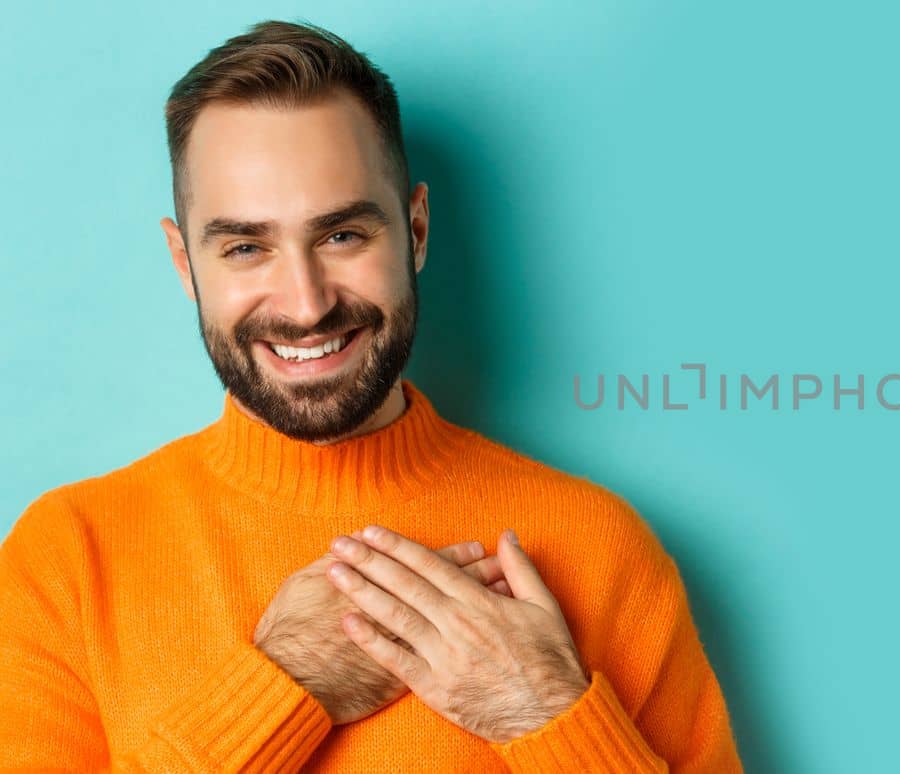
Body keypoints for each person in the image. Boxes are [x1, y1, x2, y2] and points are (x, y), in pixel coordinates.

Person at [0, 18, 743, 772]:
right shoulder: (67, 559)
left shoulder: (599, 547)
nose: (306, 303)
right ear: (185, 263)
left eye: (343, 236)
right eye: (246, 248)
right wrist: (282, 692)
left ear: (415, 230)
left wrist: (544, 716)